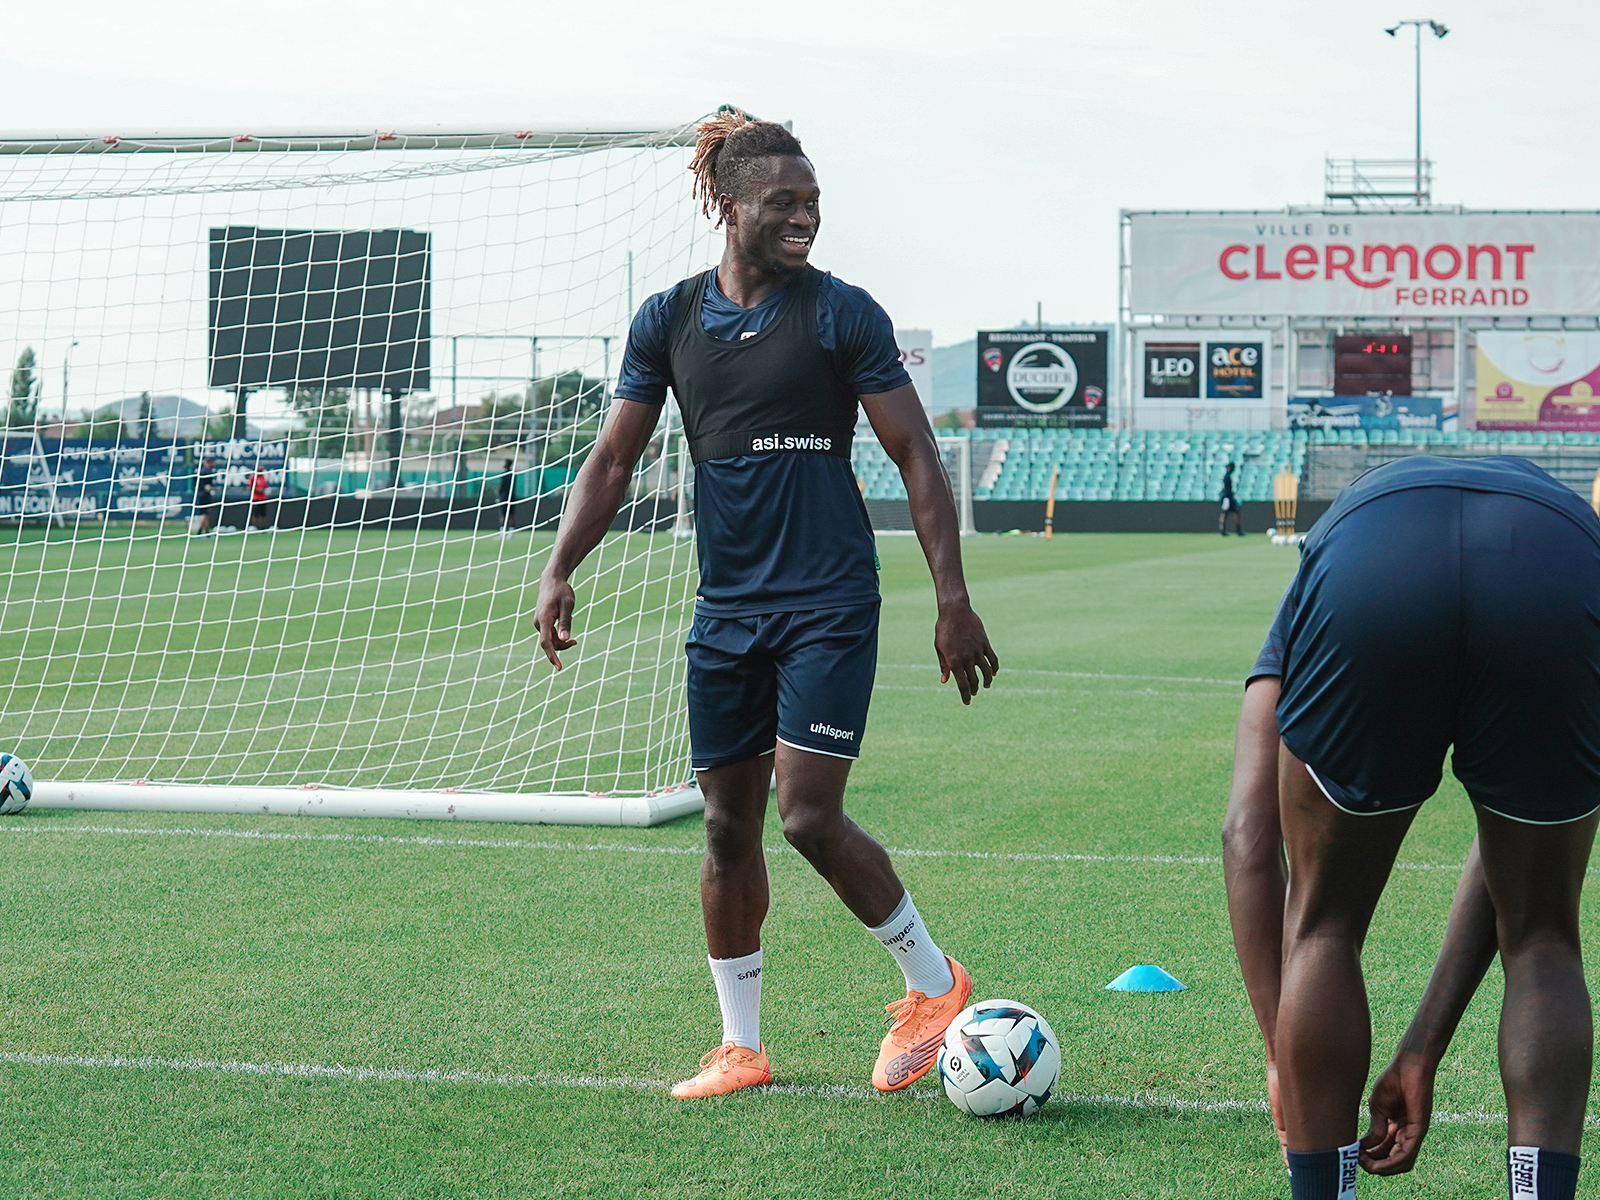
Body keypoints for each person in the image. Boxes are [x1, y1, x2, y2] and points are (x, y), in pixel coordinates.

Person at [534, 110, 999, 1100]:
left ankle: (932, 984)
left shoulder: (842, 314)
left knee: (805, 817)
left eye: (813, 203)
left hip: (828, 604)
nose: (804, 219)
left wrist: (951, 599)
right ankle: (738, 1046)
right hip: (727, 612)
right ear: (727, 205)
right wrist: (560, 564)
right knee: (724, 827)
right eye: (783, 203)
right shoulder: (667, 320)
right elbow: (613, 459)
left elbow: (916, 456)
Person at [1224, 455, 1598, 1200]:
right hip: (1563, 559)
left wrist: (1282, 1055)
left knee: (1323, 925)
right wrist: (1421, 1046)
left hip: (1373, 560)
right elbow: (1505, 853)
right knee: (1546, 933)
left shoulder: (1324, 559)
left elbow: (1245, 831)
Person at [192, 455, 220, 534]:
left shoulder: (199, 471)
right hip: (205, 494)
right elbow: (208, 485)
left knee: (205, 513)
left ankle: (206, 531)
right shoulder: (207, 471)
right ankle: (200, 531)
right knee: (205, 513)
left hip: (200, 493)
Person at [1219, 461, 1243, 535]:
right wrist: (1231, 496)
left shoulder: (1227, 476)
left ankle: (1224, 529)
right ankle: (1224, 529)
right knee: (1226, 513)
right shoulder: (1227, 477)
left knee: (1227, 513)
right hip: (1227, 498)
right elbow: (1227, 489)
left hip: (1228, 497)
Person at [247, 465, 270, 532]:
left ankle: (262, 528)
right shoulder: (253, 477)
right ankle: (254, 527)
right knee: (255, 514)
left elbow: (265, 486)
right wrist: (257, 490)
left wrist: (262, 490)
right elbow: (250, 487)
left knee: (263, 514)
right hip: (255, 498)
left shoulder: (263, 477)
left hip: (263, 498)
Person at [498, 458, 516, 535]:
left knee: (503, 514)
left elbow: (501, 486)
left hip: (504, 497)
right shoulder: (513, 474)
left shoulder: (504, 474)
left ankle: (502, 532)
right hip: (512, 496)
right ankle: (511, 533)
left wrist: (498, 494)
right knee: (511, 515)